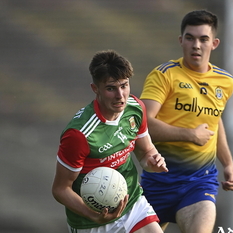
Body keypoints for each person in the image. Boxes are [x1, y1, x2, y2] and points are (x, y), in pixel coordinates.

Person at [139, 10, 233, 233]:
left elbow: (214, 120)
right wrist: (189, 135)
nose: (196, 45)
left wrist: (228, 163)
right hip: (157, 184)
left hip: (198, 183)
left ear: (214, 43)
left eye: (203, 39)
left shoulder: (225, 82)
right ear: (181, 41)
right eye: (190, 38)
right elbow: (143, 124)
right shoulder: (164, 75)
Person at [52, 50, 168, 233]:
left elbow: (145, 152)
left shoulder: (135, 109)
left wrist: (153, 160)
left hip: (132, 204)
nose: (120, 96)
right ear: (95, 89)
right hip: (92, 223)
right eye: (111, 88)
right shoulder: (79, 134)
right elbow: (60, 189)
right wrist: (93, 215)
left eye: (124, 85)